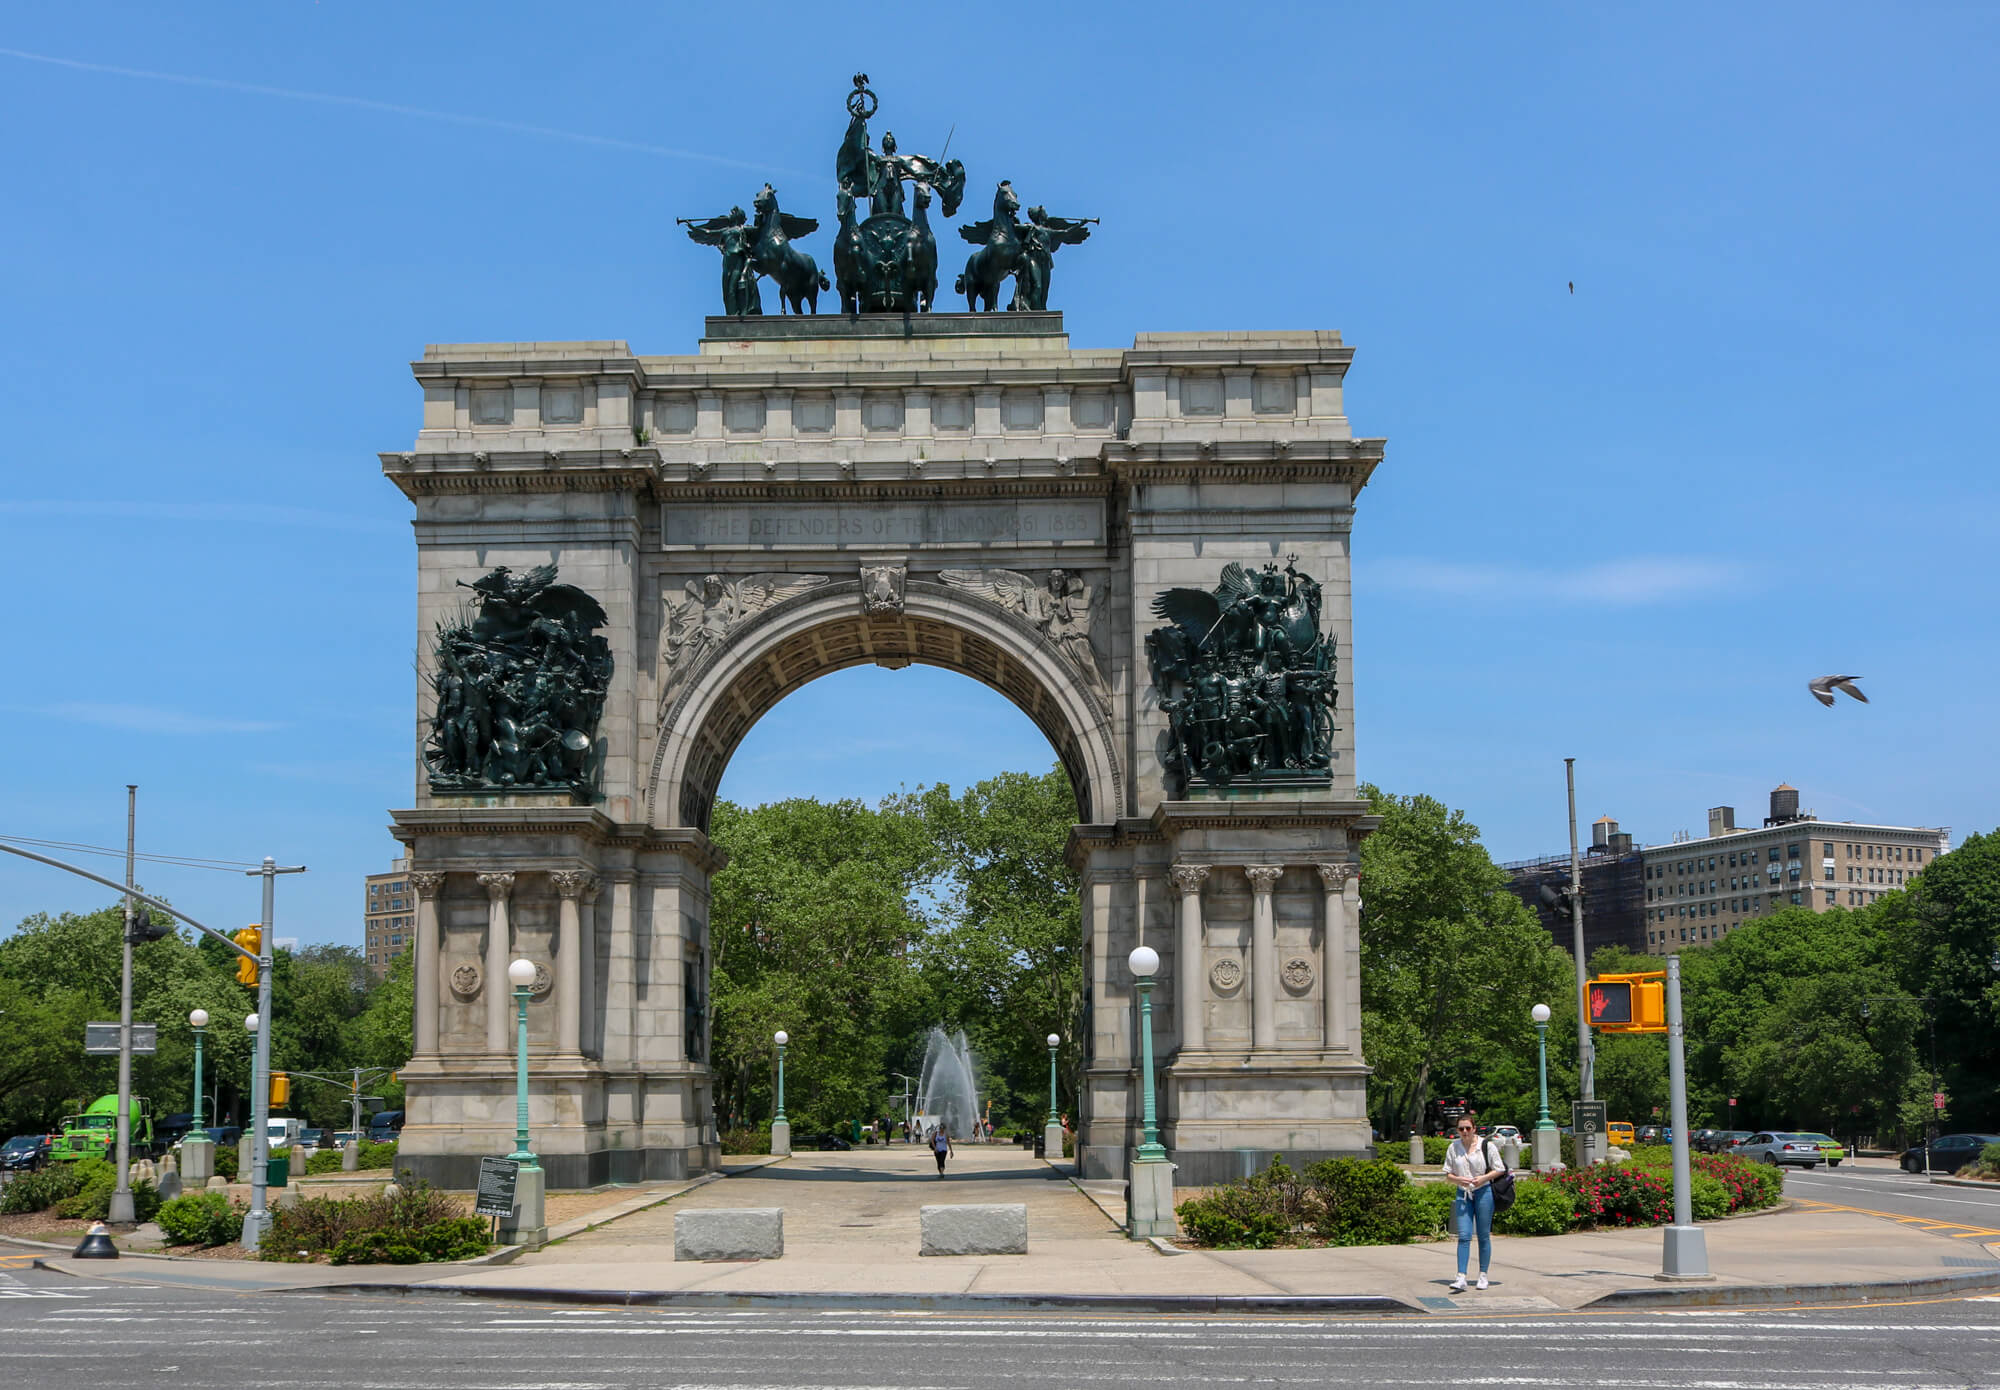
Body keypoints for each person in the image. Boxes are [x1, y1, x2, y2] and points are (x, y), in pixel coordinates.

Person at [1442, 1116, 1505, 1291]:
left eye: (1468, 1128)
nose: (1464, 1132)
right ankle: (1461, 1276)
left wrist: (1483, 1178)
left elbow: (1499, 1169)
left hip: (1483, 1191)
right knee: (1463, 1236)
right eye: (1461, 1129)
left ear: (1474, 1129)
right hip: (1463, 1193)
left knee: (1483, 1235)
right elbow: (1447, 1174)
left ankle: (1483, 1275)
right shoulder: (1453, 1147)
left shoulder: (1487, 1146)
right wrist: (1459, 1180)